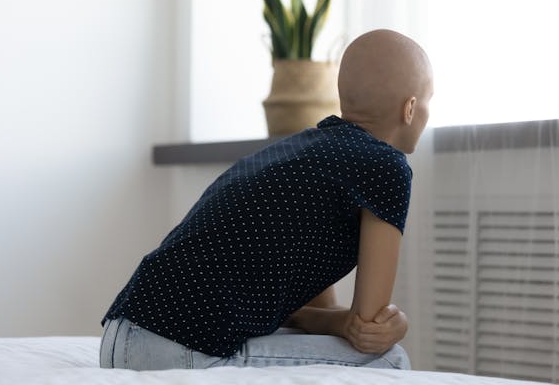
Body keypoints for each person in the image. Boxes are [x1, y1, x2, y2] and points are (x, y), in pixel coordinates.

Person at [99, 28, 434, 370]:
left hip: (120, 335)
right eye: (428, 101)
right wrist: (396, 323)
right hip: (179, 348)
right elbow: (368, 330)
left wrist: (334, 322)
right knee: (390, 362)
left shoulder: (305, 152)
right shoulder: (387, 166)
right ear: (409, 109)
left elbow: (321, 319)